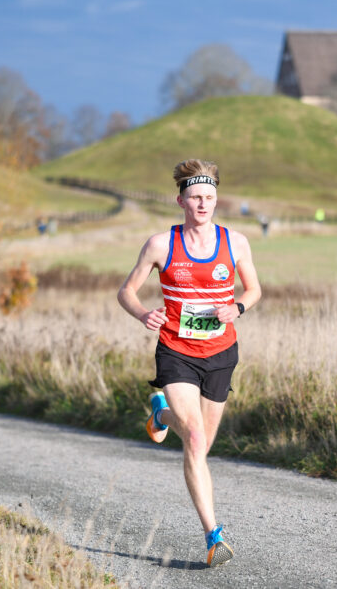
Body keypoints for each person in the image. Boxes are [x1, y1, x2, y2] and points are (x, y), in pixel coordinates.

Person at [117, 159, 261, 567]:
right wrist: (144, 313)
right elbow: (125, 291)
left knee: (201, 448)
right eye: (196, 197)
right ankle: (214, 537)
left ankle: (161, 417)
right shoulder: (161, 245)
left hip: (220, 353)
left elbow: (254, 289)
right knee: (195, 440)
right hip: (176, 350)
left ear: (217, 200)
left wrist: (238, 307)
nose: (203, 204)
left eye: (210, 197)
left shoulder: (236, 243)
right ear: (181, 200)